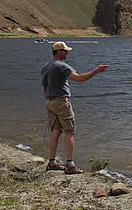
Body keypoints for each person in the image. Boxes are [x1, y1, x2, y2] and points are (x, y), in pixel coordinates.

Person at [41, 41, 108, 174]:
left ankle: (52, 162)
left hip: (49, 101)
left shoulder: (46, 66)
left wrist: (49, 100)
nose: (67, 53)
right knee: (70, 132)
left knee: (55, 131)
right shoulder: (62, 66)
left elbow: (44, 87)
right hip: (61, 102)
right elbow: (79, 78)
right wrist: (96, 70)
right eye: (65, 51)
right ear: (59, 51)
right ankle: (70, 165)